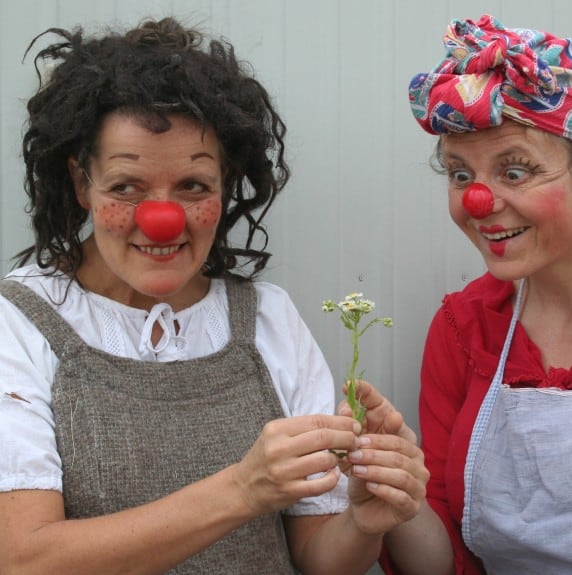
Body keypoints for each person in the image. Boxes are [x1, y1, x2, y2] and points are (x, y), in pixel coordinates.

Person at [0, 17, 429, 574]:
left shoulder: (267, 319)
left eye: (193, 186)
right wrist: (242, 491)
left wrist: (364, 522)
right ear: (82, 182)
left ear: (225, 187)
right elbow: (24, 559)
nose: (162, 220)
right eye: (126, 187)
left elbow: (321, 560)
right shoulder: (20, 322)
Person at [380, 14, 572, 575]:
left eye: (516, 171)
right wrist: (397, 492)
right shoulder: (464, 329)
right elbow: (440, 559)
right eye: (459, 174)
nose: (478, 201)